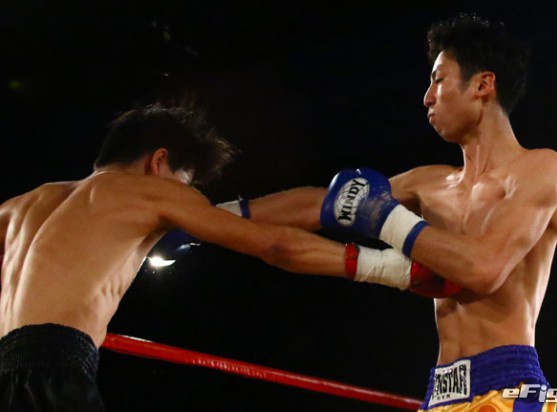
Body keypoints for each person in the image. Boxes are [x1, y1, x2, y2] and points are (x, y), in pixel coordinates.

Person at [0, 103, 416, 411]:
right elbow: (273, 245)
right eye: (185, 184)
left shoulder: (21, 205)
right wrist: (389, 269)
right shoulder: (150, 193)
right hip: (56, 372)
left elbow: (236, 216)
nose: (184, 197)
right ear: (159, 160)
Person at [318, 13, 557, 411]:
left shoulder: (540, 168)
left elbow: (483, 269)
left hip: (508, 387)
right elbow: (322, 205)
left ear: (483, 85)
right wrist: (223, 215)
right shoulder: (427, 183)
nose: (427, 97)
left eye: (438, 79)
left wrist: (387, 220)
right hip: (441, 394)